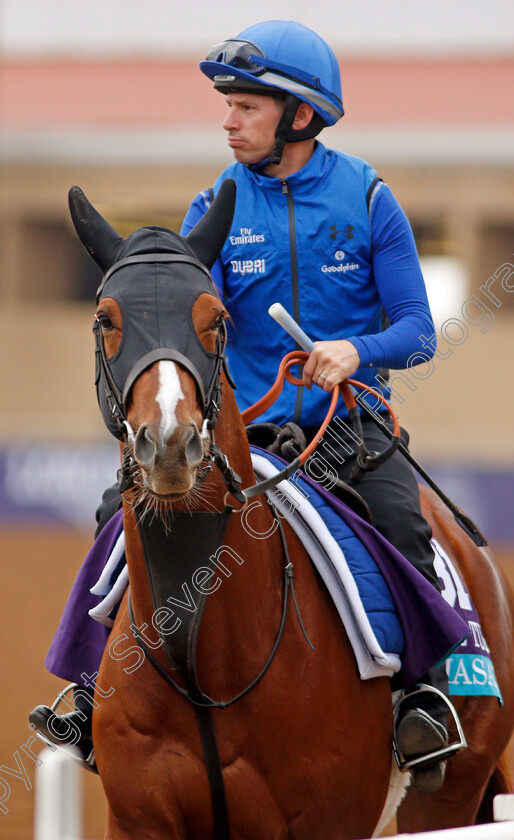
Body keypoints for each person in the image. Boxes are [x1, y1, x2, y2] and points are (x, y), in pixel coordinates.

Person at [30, 20, 461, 793]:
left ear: (299, 114)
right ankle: (93, 690)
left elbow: (420, 332)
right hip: (245, 433)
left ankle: (419, 696)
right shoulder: (214, 207)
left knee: (403, 524)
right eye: (226, 106)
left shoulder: (369, 199)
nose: (227, 121)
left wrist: (357, 351)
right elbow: (192, 329)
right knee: (114, 514)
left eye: (245, 107)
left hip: (348, 429)